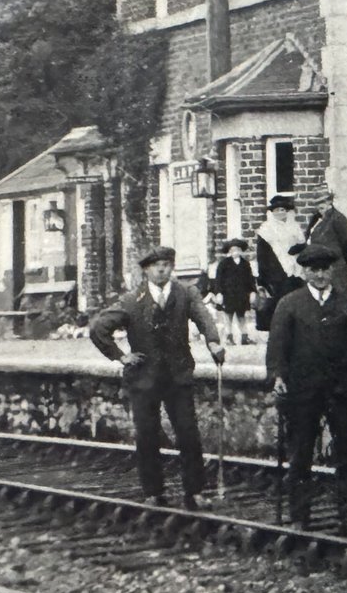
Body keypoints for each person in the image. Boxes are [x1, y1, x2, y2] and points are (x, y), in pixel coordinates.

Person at [88, 245, 226, 509]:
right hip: (144, 379)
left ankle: (194, 492)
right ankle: (153, 492)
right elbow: (98, 328)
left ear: (171, 267)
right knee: (147, 435)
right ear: (146, 270)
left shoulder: (186, 293)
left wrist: (213, 342)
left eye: (166, 264)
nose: (162, 269)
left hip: (178, 375)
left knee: (188, 433)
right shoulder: (131, 300)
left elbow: (204, 318)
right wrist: (120, 355)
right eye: (155, 265)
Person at [266, 242, 347, 536]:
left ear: (332, 271)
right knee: (301, 452)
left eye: (325, 269)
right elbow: (277, 347)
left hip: (343, 388)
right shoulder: (290, 304)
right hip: (303, 390)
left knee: (346, 453)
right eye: (314, 270)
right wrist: (277, 376)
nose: (320, 275)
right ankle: (300, 516)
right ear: (304, 272)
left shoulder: (345, 304)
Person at [304, 184, 347, 300]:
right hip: (318, 267)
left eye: (323, 202)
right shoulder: (316, 219)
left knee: (338, 298)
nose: (320, 206)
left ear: (330, 202)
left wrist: (339, 260)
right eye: (317, 203)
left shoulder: (338, 218)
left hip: (335, 267)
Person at [255, 194, 305, 301]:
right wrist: (265, 277)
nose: (279, 212)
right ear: (272, 212)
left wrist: (298, 248)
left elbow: (302, 244)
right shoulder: (266, 229)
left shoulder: (294, 226)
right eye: (276, 210)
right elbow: (262, 255)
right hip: (277, 271)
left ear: (286, 211)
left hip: (296, 269)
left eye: (282, 209)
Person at [211, 238, 258, 346]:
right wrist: (219, 293)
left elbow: (250, 279)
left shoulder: (245, 264)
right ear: (229, 251)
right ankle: (228, 337)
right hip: (228, 295)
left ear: (241, 251)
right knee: (228, 316)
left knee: (242, 317)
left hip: (242, 295)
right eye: (233, 250)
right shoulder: (224, 264)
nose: (235, 252)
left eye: (237, 249)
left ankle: (244, 337)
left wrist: (252, 292)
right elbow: (218, 280)